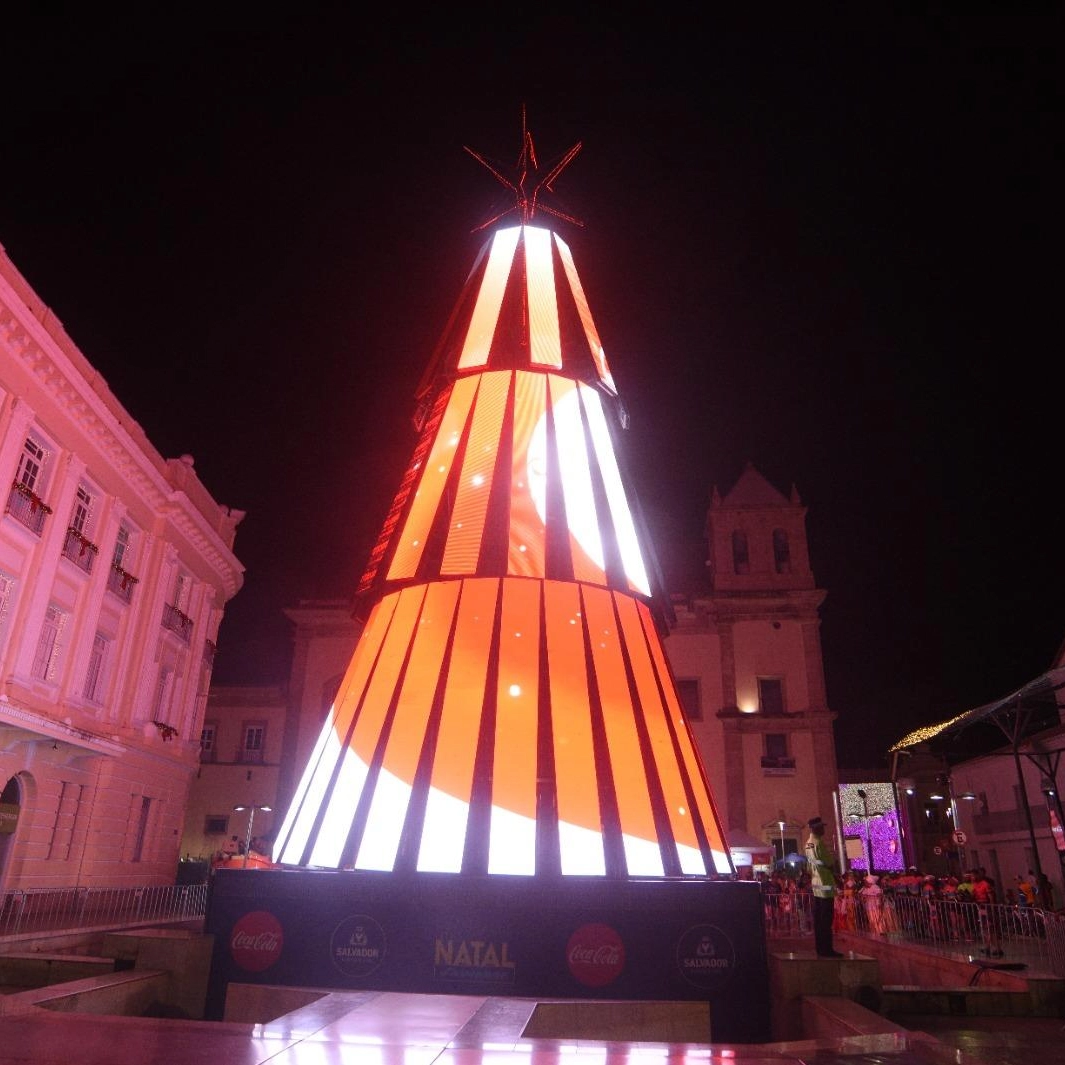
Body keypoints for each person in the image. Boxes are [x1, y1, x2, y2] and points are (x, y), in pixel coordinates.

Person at [804, 815, 843, 958]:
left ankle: (820, 948)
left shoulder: (808, 843)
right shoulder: (819, 843)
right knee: (826, 921)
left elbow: (809, 867)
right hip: (825, 885)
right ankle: (827, 950)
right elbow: (829, 862)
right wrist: (837, 878)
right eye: (821, 827)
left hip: (816, 885)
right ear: (816, 828)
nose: (823, 830)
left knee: (819, 921)